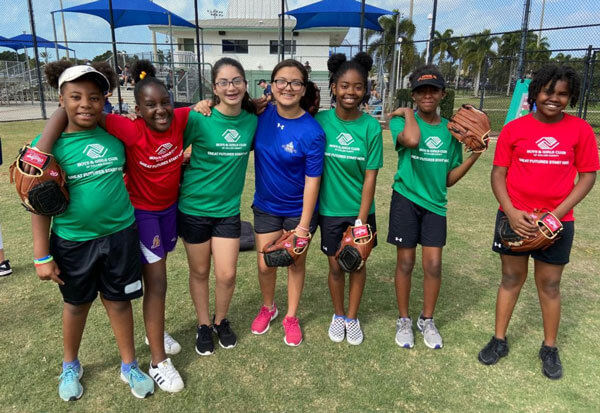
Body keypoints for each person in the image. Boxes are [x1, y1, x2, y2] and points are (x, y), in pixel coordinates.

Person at [35, 60, 188, 393]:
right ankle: (70, 366)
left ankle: (129, 366)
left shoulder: (113, 134)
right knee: (76, 305)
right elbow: (39, 200)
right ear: (61, 100)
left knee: (120, 302)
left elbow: (147, 147)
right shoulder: (51, 145)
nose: (85, 104)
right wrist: (41, 255)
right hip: (74, 241)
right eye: (75, 97)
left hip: (121, 234)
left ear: (105, 101)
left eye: (94, 97)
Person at [478, 64, 599, 379]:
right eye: (548, 91)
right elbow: (498, 173)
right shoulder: (515, 129)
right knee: (510, 279)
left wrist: (554, 216)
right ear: (535, 93)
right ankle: (499, 339)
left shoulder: (580, 130)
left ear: (570, 96)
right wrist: (512, 212)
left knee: (550, 284)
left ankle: (549, 347)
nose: (554, 99)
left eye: (562, 94)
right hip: (514, 218)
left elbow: (588, 177)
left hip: (557, 222)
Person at [387, 65, 482, 350]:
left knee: (434, 264)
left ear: (442, 93)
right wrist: (406, 113)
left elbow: (449, 179)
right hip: (406, 199)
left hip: (435, 206)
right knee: (405, 263)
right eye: (420, 90)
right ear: (413, 95)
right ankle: (404, 320)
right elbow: (412, 140)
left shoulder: (452, 131)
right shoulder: (400, 123)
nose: (427, 95)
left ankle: (426, 320)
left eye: (433, 90)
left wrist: (474, 155)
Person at [179, 58, 258, 356]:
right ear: (214, 88)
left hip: (227, 211)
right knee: (199, 271)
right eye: (223, 82)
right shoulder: (199, 118)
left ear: (245, 84)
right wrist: (198, 106)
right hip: (194, 208)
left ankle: (220, 320)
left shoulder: (252, 119)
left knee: (226, 274)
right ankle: (203, 325)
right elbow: (174, 147)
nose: (231, 87)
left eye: (236, 80)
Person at [249, 60, 325, 346]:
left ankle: (291, 316)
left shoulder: (313, 131)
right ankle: (269, 307)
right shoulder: (260, 115)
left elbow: (312, 181)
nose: (287, 87)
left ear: (303, 88)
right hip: (266, 206)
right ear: (271, 84)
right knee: (265, 264)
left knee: (294, 264)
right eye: (281, 81)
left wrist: (304, 227)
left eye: (295, 83)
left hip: (298, 212)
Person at [315, 52, 383, 345]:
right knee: (335, 266)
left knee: (356, 264)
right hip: (329, 209)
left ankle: (353, 318)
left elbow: (371, 177)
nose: (350, 92)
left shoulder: (370, 127)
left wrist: (360, 220)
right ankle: (339, 314)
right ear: (333, 87)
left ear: (365, 89)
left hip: (360, 211)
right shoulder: (319, 121)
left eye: (357, 86)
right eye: (344, 86)